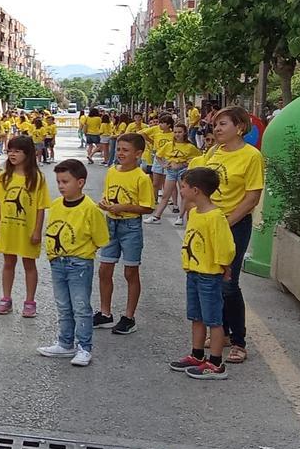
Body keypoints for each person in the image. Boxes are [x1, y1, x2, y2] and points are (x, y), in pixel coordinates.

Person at [202, 106, 263, 364]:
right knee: (213, 280)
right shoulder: (214, 152)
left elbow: (252, 197)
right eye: (215, 124)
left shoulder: (251, 156)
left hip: (234, 225)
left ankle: (239, 341)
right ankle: (223, 333)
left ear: (239, 127)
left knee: (229, 282)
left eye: (222, 124)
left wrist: (227, 221)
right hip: (211, 224)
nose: (216, 129)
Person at [37, 159, 108, 366]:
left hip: (79, 264)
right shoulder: (57, 204)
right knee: (63, 305)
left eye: (65, 181)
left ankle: (84, 347)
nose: (60, 186)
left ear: (80, 182)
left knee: (80, 306)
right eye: (58, 181)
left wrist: (81, 253)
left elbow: (101, 239)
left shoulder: (90, 209)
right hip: (57, 262)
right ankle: (65, 343)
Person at [168, 167, 236, 380]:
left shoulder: (215, 217)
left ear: (196, 190)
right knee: (196, 316)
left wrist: (224, 267)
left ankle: (215, 362)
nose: (181, 190)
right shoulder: (194, 212)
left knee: (213, 319)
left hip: (209, 275)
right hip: (194, 272)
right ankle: (197, 354)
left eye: (184, 187)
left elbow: (224, 246)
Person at [94, 133, 154, 335]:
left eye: (125, 150)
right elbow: (108, 194)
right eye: (118, 149)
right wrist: (106, 204)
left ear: (138, 154)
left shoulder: (142, 178)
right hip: (111, 224)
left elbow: (147, 207)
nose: (120, 153)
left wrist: (125, 207)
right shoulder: (112, 171)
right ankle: (105, 312)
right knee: (104, 269)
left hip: (130, 226)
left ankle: (129, 316)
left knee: (130, 272)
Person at [0, 136, 49, 318]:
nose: (12, 154)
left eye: (17, 151)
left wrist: (37, 231)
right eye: (10, 151)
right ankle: (6, 298)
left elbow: (41, 207)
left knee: (29, 264)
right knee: (8, 263)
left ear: (28, 154)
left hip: (28, 230)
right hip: (7, 228)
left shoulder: (37, 178)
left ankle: (30, 301)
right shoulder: (4, 176)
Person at [146, 124, 200, 225]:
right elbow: (158, 155)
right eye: (175, 132)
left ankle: (180, 217)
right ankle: (156, 216)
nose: (177, 134)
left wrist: (184, 164)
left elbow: (198, 158)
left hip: (183, 171)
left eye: (179, 132)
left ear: (184, 132)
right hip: (170, 171)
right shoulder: (169, 145)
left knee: (184, 194)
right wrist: (164, 165)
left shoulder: (190, 146)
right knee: (166, 195)